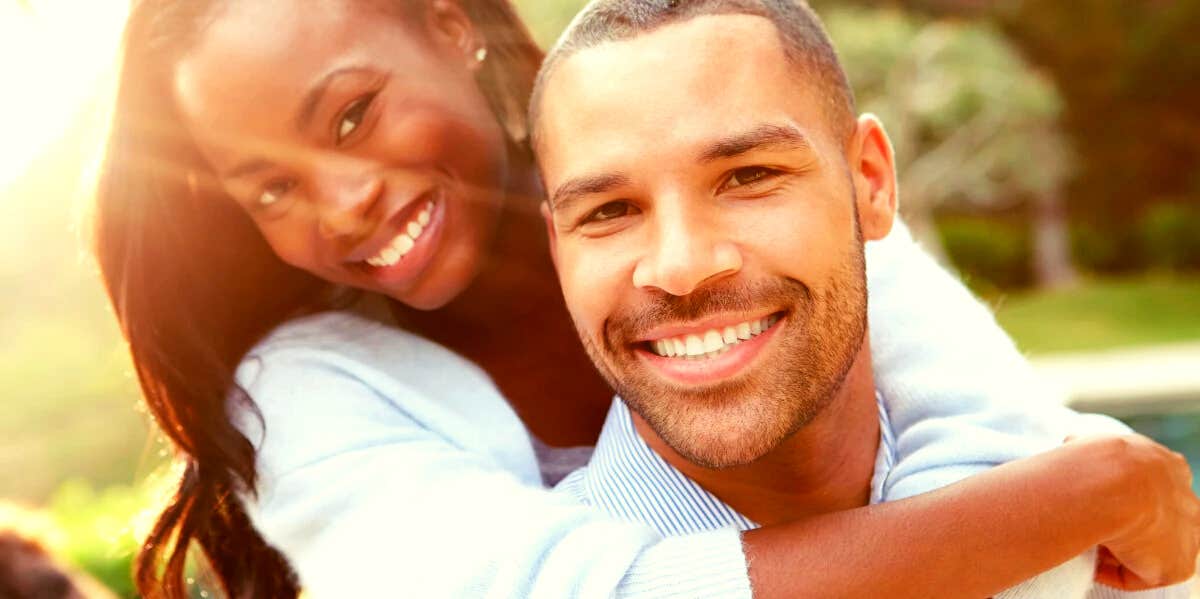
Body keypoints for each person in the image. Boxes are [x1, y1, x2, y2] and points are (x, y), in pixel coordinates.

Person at [92, 0, 1195, 597]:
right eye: (271, 185)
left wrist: (1034, 532)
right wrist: (1093, 485)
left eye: (350, 117)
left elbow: (985, 426)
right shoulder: (307, 392)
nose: (341, 202)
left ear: (445, 24)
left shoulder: (748, 173)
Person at [529, 1, 1199, 597]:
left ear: (871, 184)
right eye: (609, 210)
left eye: (749, 175)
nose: (680, 267)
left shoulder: (1111, 542)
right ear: (559, 248)